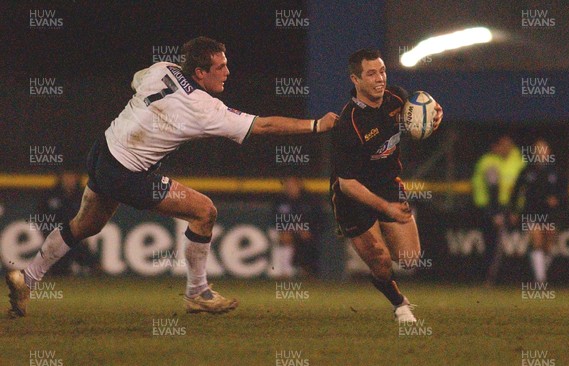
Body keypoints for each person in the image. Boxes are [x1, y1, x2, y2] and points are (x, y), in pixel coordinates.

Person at [6, 36, 338, 318]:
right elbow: (262, 125)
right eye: (220, 67)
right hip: (127, 172)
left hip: (103, 151)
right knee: (205, 211)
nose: (227, 72)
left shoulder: (163, 68)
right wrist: (315, 125)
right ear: (200, 72)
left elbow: (136, 79)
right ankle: (198, 292)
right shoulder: (204, 108)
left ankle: (28, 279)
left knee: (85, 225)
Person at [329, 49, 443, 324]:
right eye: (371, 73)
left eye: (382, 71)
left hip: (388, 184)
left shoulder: (396, 97)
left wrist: (436, 114)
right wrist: (384, 208)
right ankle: (399, 304)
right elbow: (346, 183)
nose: (380, 78)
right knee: (380, 261)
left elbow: (424, 113)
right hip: (352, 196)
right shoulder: (349, 124)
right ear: (355, 79)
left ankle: (380, 262)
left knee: (409, 258)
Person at [509, 139, 567, 283]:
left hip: (549, 213)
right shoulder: (527, 171)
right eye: (537, 150)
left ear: (548, 153)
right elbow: (516, 191)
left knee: (548, 245)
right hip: (531, 211)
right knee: (537, 240)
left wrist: (557, 200)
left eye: (543, 150)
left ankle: (541, 271)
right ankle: (540, 279)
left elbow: (564, 191)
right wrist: (514, 211)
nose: (540, 153)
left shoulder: (556, 171)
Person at [471, 135, 525, 285]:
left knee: (506, 246)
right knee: (492, 244)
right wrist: (495, 213)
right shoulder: (490, 161)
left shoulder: (518, 161)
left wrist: (516, 210)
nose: (503, 148)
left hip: (512, 209)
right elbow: (493, 189)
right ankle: (489, 279)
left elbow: (522, 188)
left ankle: (505, 279)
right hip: (489, 208)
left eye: (507, 145)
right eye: (501, 145)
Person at [39, 169, 96, 276]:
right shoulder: (51, 195)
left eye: (72, 177)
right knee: (58, 270)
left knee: (91, 262)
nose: (69, 180)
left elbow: (89, 216)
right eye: (67, 176)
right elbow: (41, 216)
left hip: (75, 238)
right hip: (56, 238)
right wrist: (47, 235)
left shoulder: (82, 195)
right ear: (61, 177)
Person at [272, 176, 325, 278]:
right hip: (285, 232)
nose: (289, 187)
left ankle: (308, 272)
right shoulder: (280, 200)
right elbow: (274, 220)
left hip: (307, 233)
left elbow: (320, 220)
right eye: (287, 184)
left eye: (292, 185)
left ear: (299, 185)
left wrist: (310, 231)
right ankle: (284, 272)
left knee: (307, 239)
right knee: (284, 237)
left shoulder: (310, 200)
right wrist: (283, 230)